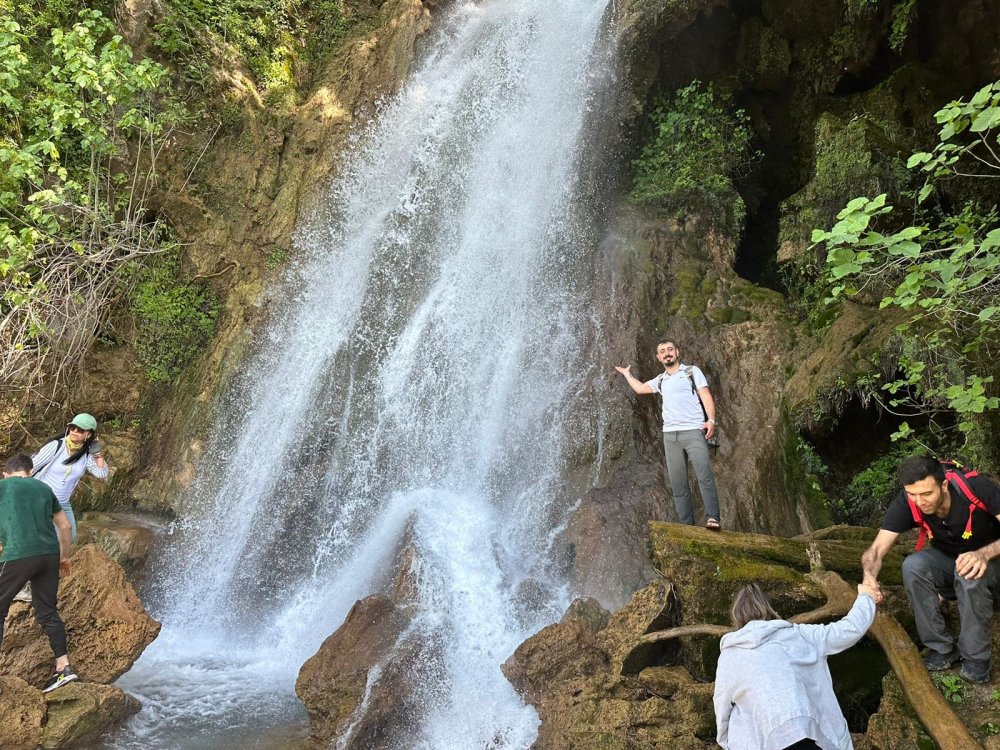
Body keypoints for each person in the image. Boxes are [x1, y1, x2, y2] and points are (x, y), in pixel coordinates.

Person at [861, 455, 1000, 684]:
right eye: (912, 494)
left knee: (968, 572)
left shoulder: (976, 487)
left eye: (927, 494)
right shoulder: (909, 502)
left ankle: (976, 658)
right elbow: (875, 551)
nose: (920, 502)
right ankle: (941, 647)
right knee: (913, 565)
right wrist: (869, 577)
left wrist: (983, 554)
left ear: (943, 485)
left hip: (993, 562)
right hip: (953, 562)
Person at [713, 582, 878, 750]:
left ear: (735, 616)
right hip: (809, 733)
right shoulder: (800, 634)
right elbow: (849, 629)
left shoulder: (729, 657)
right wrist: (866, 596)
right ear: (770, 609)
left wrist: (726, 743)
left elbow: (722, 708)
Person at [615, 338, 721, 529]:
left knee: (704, 475)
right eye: (662, 351)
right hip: (670, 436)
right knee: (678, 483)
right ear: (658, 357)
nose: (667, 353)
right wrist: (627, 374)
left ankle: (713, 517)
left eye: (670, 349)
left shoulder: (691, 372)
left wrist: (711, 420)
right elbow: (640, 389)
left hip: (694, 430)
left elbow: (705, 395)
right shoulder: (661, 379)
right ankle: (686, 525)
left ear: (677, 352)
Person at [0, 453, 79, 692]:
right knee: (47, 611)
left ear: (5, 473)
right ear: (31, 471)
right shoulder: (44, 489)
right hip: (49, 555)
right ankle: (63, 668)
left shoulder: (3, 486)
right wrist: (63, 557)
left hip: (19, 553)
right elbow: (65, 526)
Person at [31, 412, 108, 543]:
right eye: (72, 427)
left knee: (69, 537)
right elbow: (32, 466)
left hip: (61, 503)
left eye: (80, 429)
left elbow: (102, 473)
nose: (75, 431)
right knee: (38, 537)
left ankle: (55, 556)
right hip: (40, 498)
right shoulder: (56, 446)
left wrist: (97, 452)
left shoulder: (86, 455)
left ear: (89, 434)